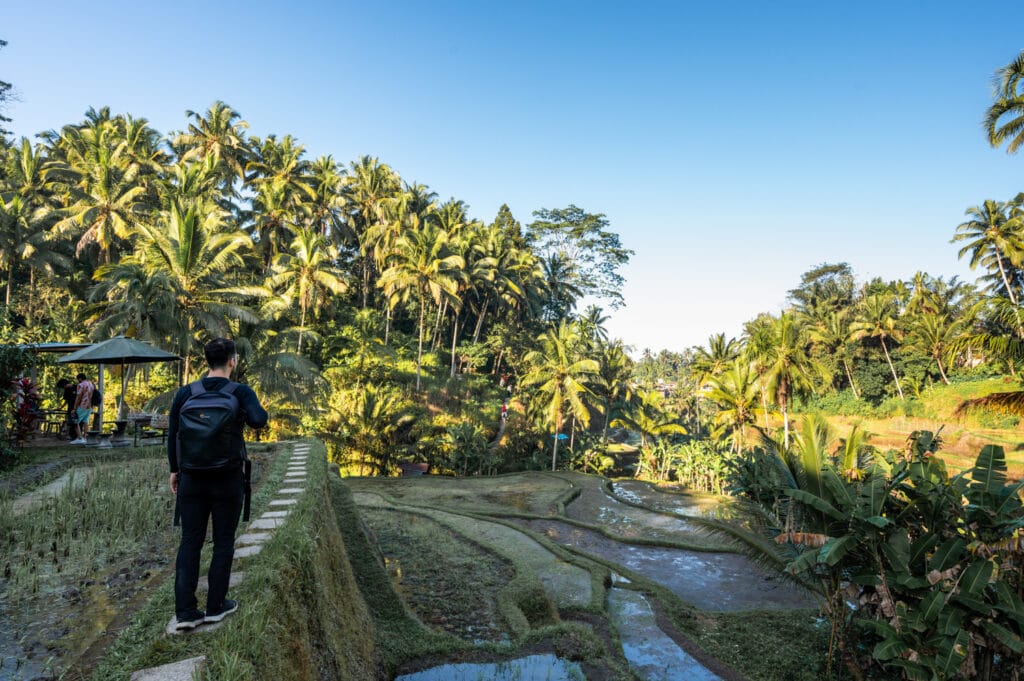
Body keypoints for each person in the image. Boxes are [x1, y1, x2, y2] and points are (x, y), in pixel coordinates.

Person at [169, 338, 268, 630]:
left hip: (192, 478)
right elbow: (259, 421)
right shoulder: (240, 391)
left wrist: (174, 470)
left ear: (206, 361)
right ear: (232, 361)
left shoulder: (185, 393)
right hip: (227, 478)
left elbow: (173, 434)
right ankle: (215, 607)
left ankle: (186, 613)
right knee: (223, 541)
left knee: (190, 541)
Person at [70, 373, 95, 445]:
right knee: (85, 421)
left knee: (75, 421)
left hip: (82, 405)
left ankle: (80, 438)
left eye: (78, 379)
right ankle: (85, 437)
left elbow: (78, 397)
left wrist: (74, 407)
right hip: (89, 406)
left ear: (80, 378)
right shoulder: (91, 384)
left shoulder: (80, 385)